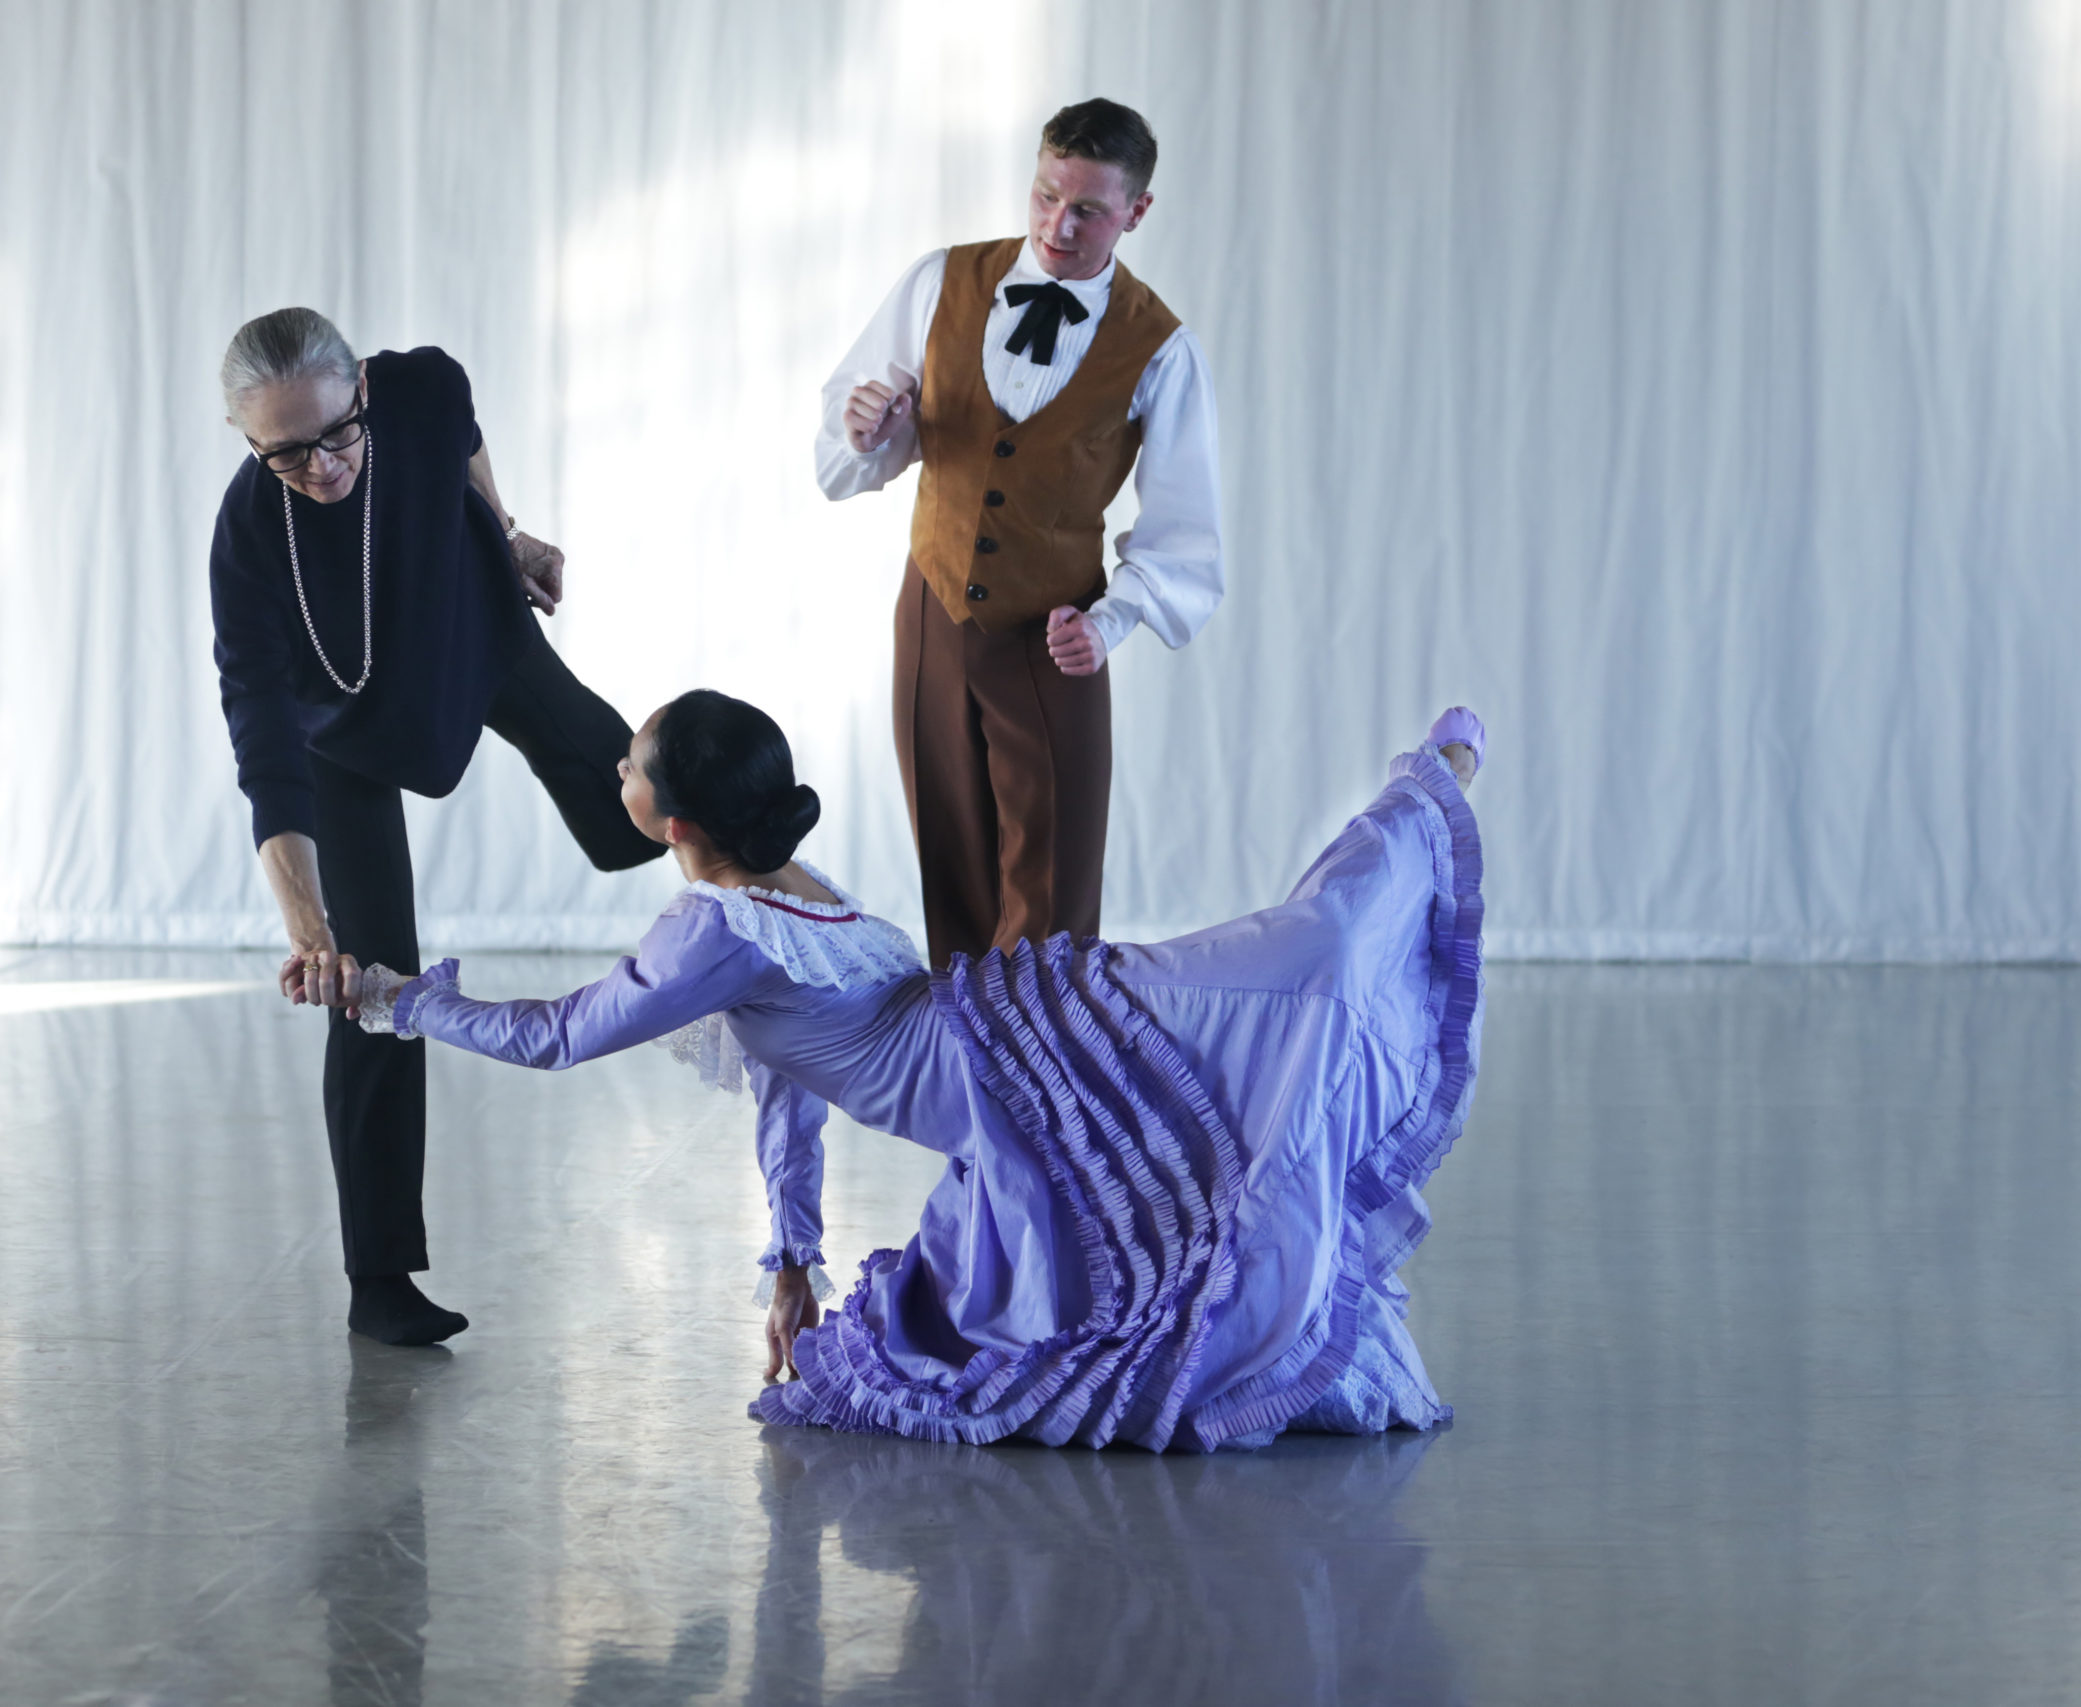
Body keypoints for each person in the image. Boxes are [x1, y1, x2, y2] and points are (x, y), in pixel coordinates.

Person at [335, 692, 1487, 1452]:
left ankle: (1418, 803)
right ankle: (1413, 809)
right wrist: (792, 1259)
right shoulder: (785, 890)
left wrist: (399, 998)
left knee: (1289, 969)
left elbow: (556, 1036)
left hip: (1013, 1062)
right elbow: (787, 1092)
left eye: (627, 763)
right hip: (1021, 1042)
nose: (615, 766)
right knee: (1279, 975)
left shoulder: (716, 928)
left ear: (668, 819)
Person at [208, 307, 667, 1346]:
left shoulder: (420, 385)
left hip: (476, 632)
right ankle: (381, 1280)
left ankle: (777, 885)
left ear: (362, 388)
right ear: (245, 440)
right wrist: (306, 925)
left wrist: (504, 537)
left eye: (336, 435)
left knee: (636, 803)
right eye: (282, 453)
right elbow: (263, 746)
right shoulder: (247, 541)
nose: (318, 466)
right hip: (349, 734)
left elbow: (460, 441)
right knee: (370, 989)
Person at [814, 97, 1224, 969]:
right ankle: (970, 1079)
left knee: (1051, 889)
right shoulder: (940, 282)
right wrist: (864, 429)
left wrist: (1107, 623)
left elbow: (1187, 533)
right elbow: (858, 446)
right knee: (950, 863)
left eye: (1088, 210)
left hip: (1054, 637)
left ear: (1136, 213)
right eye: (1045, 196)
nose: (1057, 225)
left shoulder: (1160, 348)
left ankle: (1046, 1083)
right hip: (929, 615)